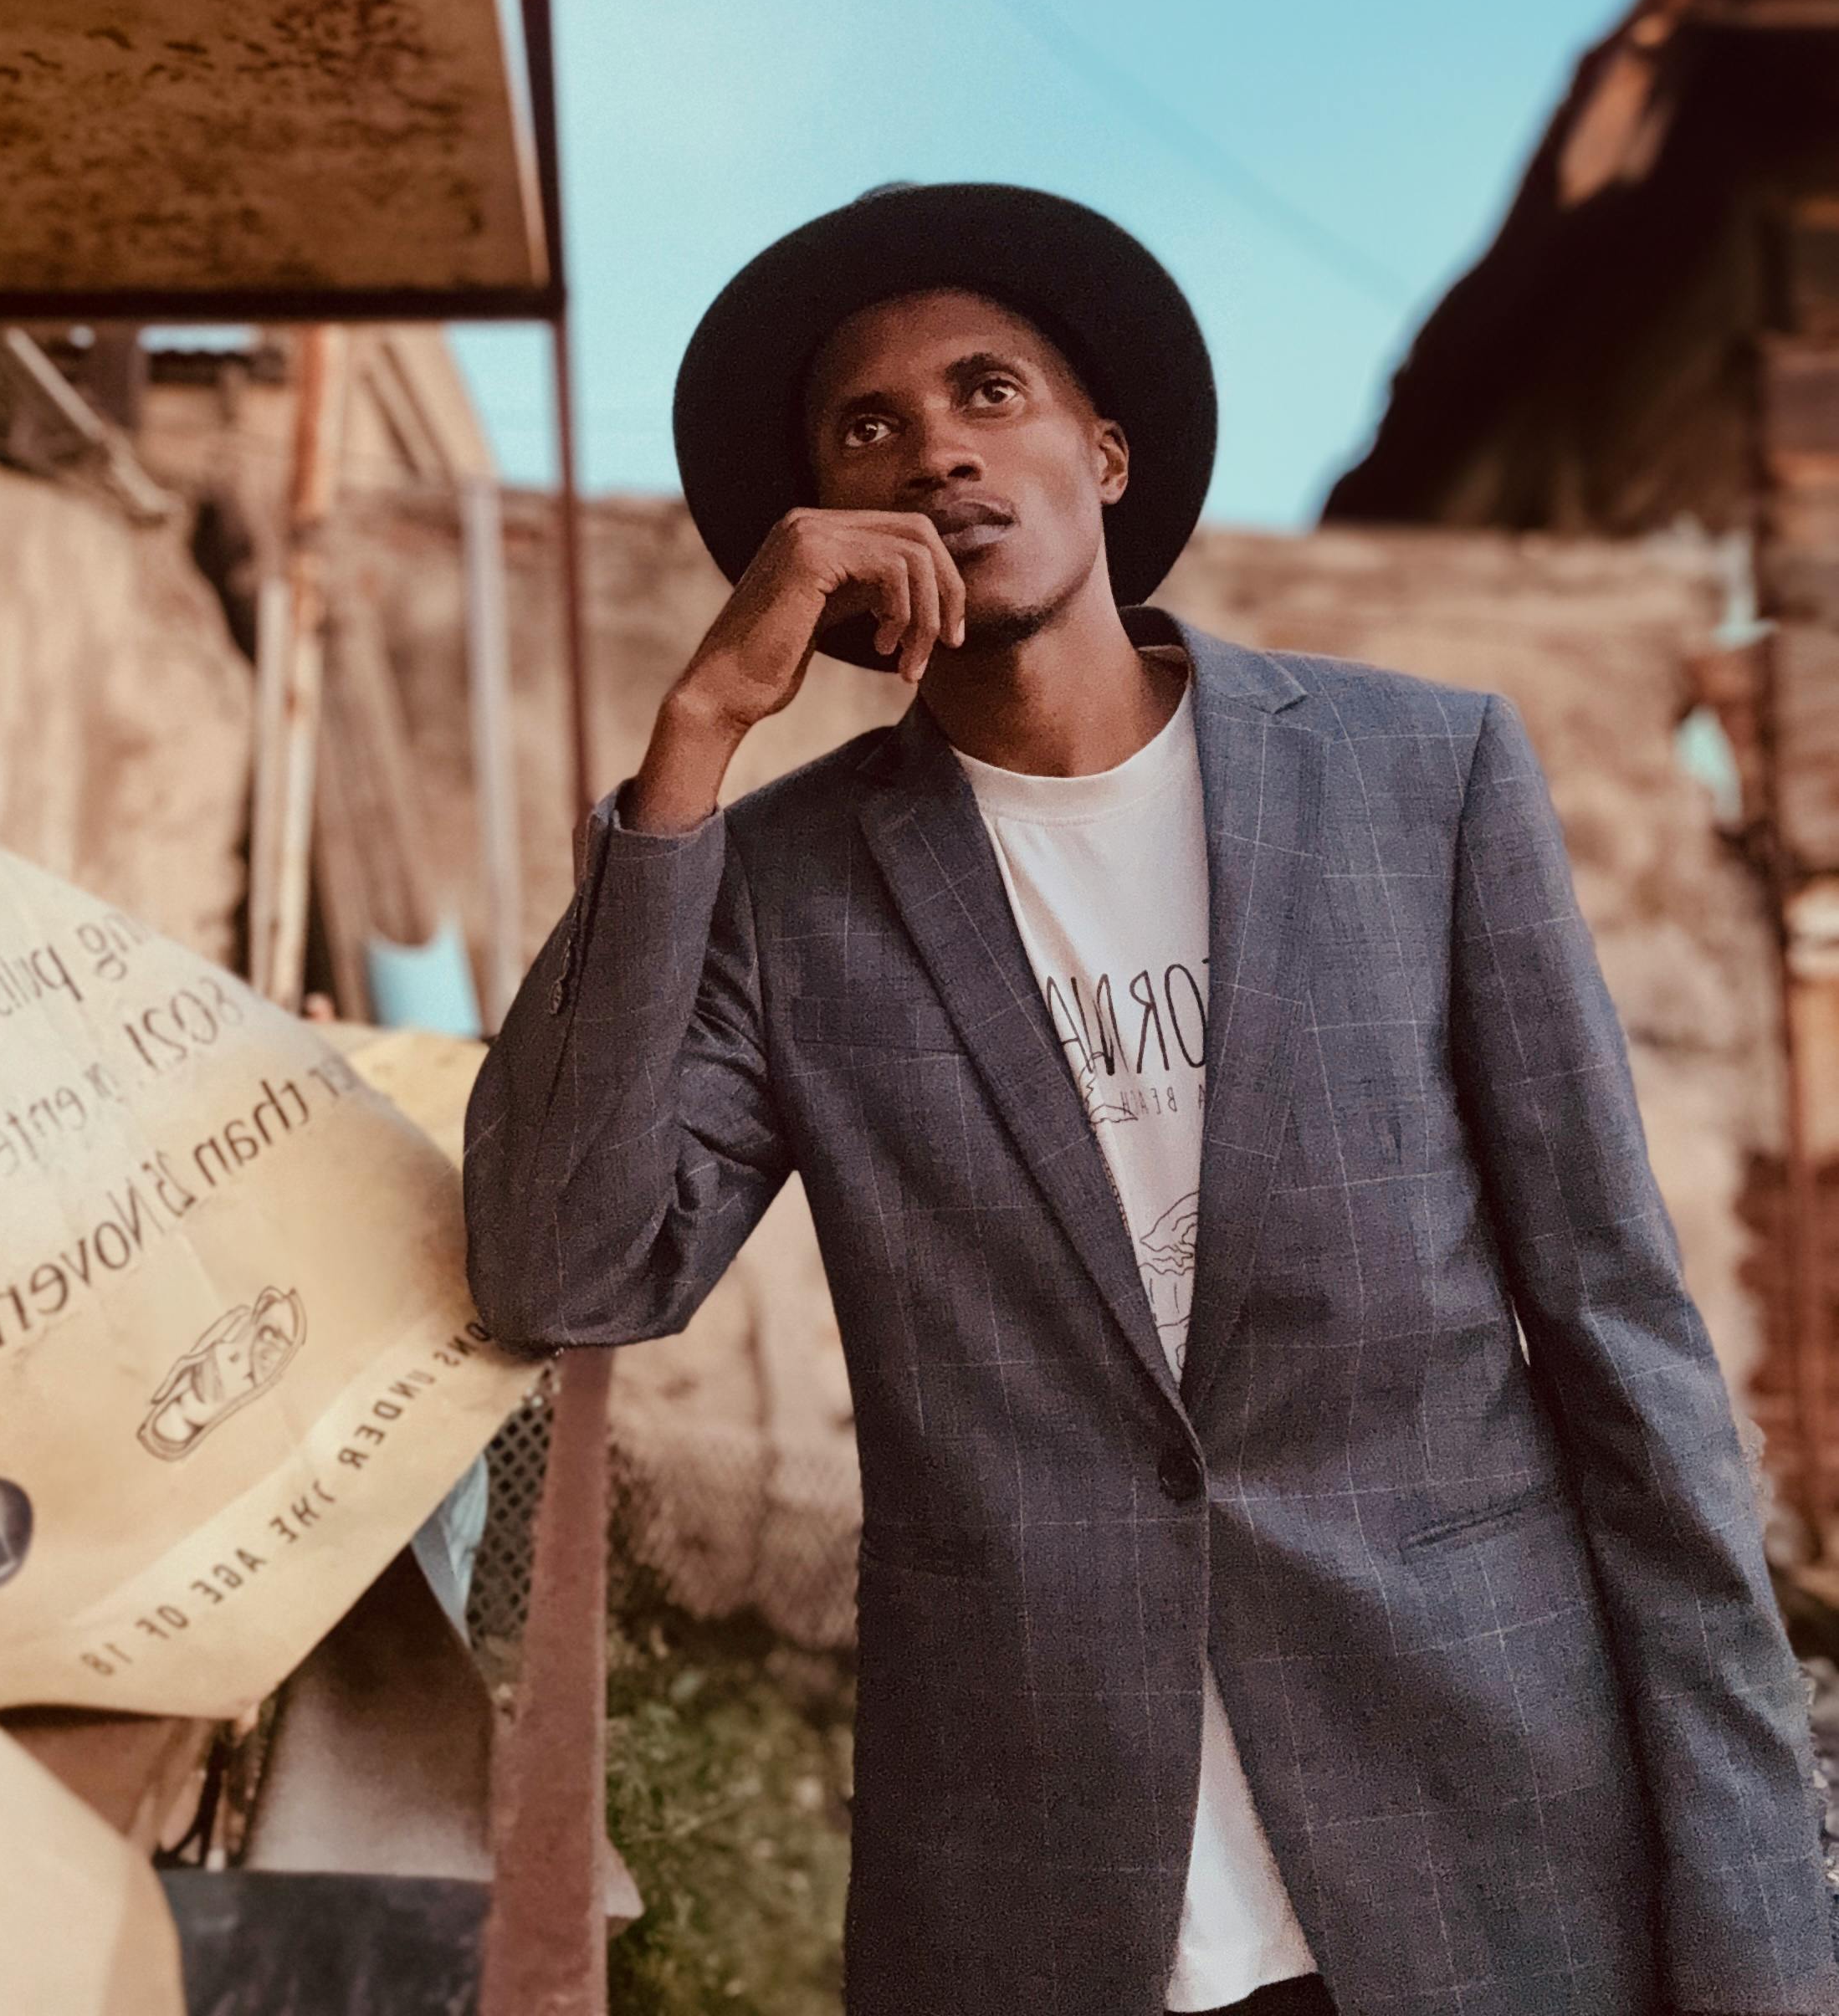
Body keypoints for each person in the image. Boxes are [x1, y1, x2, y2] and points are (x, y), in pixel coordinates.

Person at [464, 182, 1839, 2016]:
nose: (937, 450)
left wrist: (1761, 1935)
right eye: (869, 429)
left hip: (1486, 1841)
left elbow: (1623, 1336)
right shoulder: (782, 888)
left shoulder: (1419, 777)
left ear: (1103, 455)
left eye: (989, 391)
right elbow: (563, 1265)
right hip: (1049, 1893)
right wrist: (696, 737)